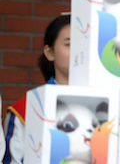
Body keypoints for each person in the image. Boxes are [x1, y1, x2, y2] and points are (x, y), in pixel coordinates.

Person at [3, 14, 70, 164]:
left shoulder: (114, 102)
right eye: (69, 44)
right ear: (49, 52)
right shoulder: (25, 109)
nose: (79, 51)